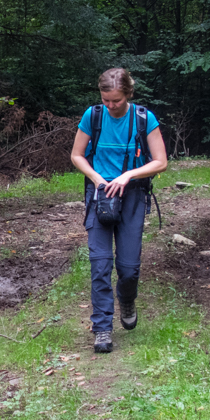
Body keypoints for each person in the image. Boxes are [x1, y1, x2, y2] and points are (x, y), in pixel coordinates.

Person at [70, 68, 168, 353]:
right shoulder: (94, 116)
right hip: (99, 195)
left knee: (128, 268)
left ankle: (127, 299)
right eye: (107, 100)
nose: (111, 106)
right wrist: (98, 179)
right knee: (100, 264)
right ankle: (102, 328)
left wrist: (129, 175)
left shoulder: (143, 119)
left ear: (129, 94)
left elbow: (160, 161)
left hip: (132, 195)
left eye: (117, 101)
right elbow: (77, 155)